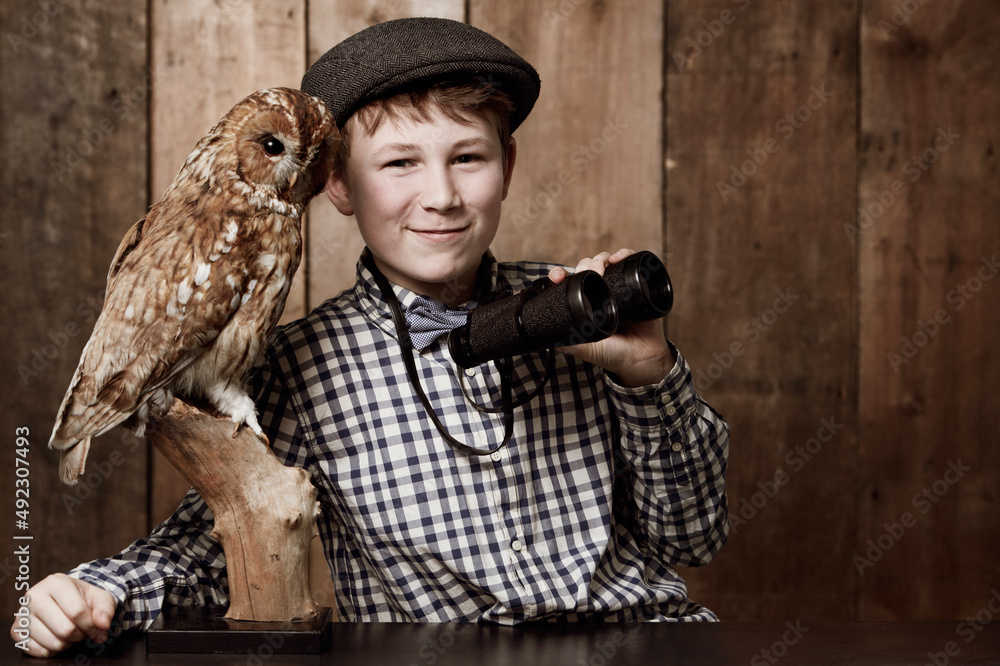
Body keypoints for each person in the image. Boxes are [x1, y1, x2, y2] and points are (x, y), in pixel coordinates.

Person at [12, 17, 729, 658]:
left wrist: (647, 375)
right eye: (399, 163)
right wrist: (93, 594)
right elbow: (208, 538)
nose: (442, 196)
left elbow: (692, 538)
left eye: (468, 159)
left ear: (508, 170)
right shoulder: (301, 366)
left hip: (648, 643)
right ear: (338, 187)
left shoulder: (572, 305)